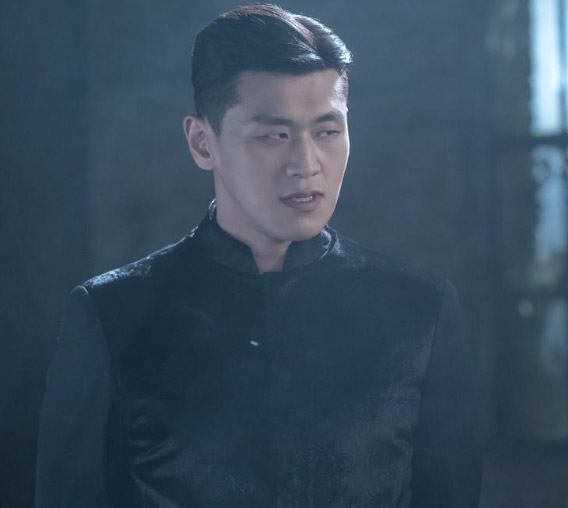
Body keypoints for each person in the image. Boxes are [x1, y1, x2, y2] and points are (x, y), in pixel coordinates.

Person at [35, 4, 485, 507]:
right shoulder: (112, 318)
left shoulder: (419, 313)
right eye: (274, 135)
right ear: (202, 143)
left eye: (327, 131)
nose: (305, 164)